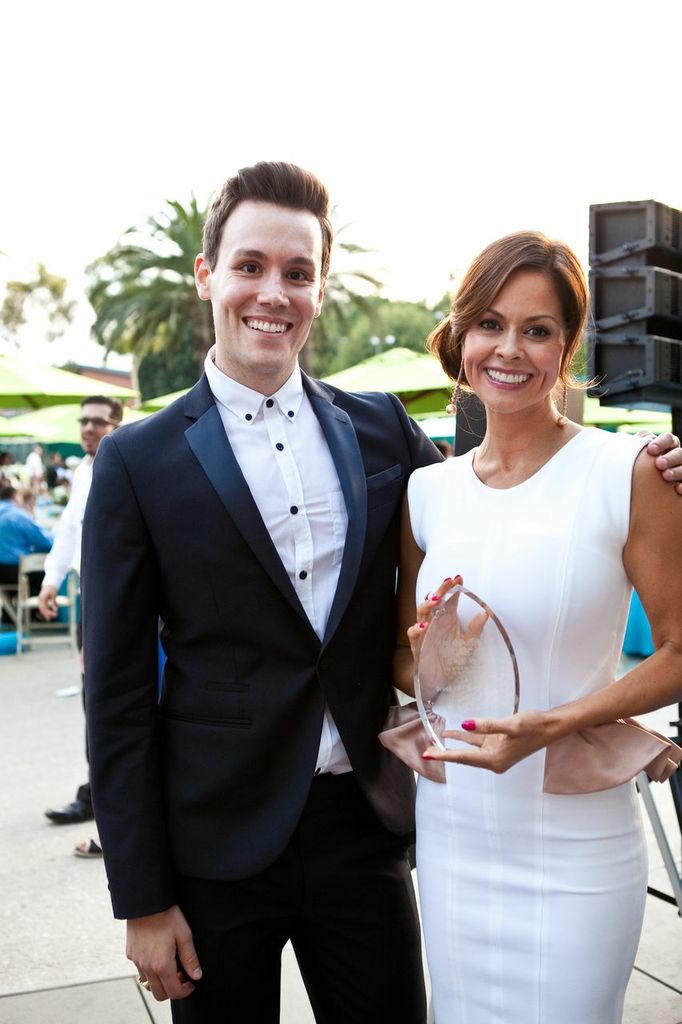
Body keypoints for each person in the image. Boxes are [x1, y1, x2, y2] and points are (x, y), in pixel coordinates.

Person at [81, 162, 439, 1024]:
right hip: (212, 849)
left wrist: (629, 475)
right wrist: (141, 899)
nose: (273, 293)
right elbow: (117, 694)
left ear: (318, 287)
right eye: (250, 266)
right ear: (208, 277)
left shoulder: (383, 425)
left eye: (298, 272)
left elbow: (503, 502)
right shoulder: (136, 461)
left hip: (362, 828)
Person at [394, 231, 682, 1024]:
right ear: (460, 337)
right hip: (454, 839)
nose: (508, 348)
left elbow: (678, 650)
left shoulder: (630, 472)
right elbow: (404, 661)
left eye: (538, 328)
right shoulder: (427, 492)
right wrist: (436, 654)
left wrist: (557, 721)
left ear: (568, 344)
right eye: (489, 323)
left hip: (577, 840)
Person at [42, 396, 123, 832]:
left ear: (116, 424)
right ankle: (98, 798)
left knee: (109, 699)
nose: (88, 429)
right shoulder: (82, 472)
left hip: (112, 597)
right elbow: (69, 529)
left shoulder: (125, 465)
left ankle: (108, 809)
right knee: (96, 699)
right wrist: (51, 582)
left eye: (98, 422)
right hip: (85, 591)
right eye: (84, 422)